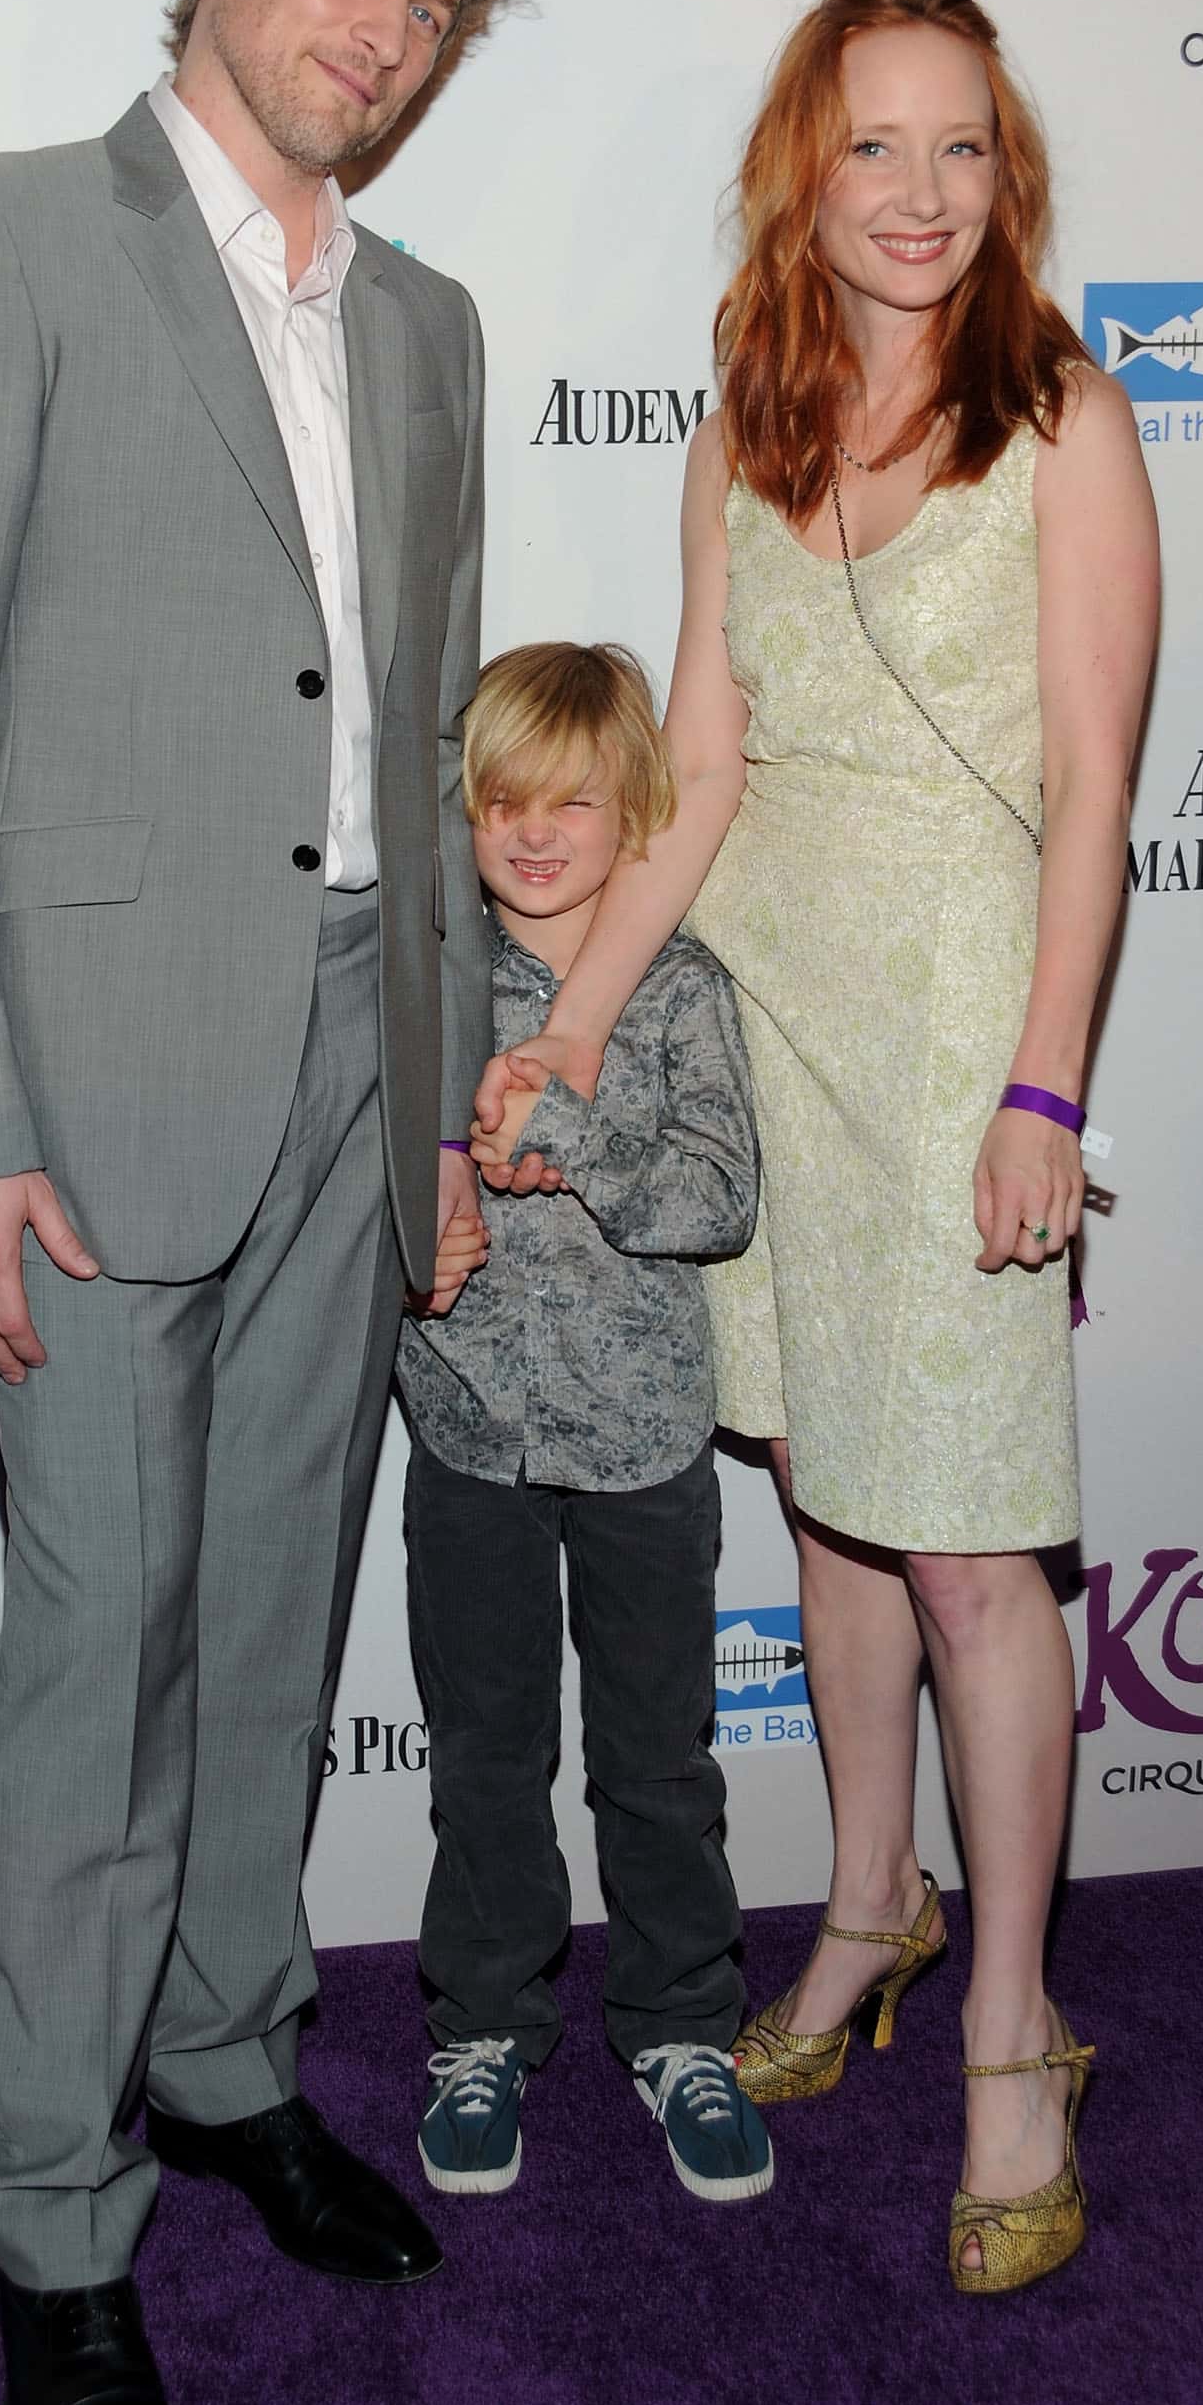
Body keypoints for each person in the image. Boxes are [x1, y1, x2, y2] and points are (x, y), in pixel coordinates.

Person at [0, 0, 529, 2405]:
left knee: (269, 1622)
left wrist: (453, 1105)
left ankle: (233, 2069)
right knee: (96, 1667)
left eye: (437, 6)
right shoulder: (2, 233)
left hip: (364, 1050)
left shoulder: (436, 323)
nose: (388, 32)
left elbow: (437, 744)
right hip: (88, 1079)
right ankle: (53, 2219)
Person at [472, 0, 1159, 2296]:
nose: (922, 192)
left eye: (963, 146)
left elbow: (1090, 792)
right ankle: (869, 1904)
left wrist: (1047, 1082)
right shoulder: (743, 420)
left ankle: (1009, 2027)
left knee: (972, 1548)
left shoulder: (1060, 410)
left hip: (967, 1025)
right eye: (878, 143)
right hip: (777, 1016)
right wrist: (567, 1026)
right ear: (805, 161)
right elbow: (709, 773)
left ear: (1008, 169)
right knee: (837, 1503)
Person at [398, 643, 771, 2206]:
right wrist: (417, 1237)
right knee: (485, 1759)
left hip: (643, 1452)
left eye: (572, 802)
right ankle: (482, 2027)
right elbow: (363, 1187)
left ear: (638, 815)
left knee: (657, 1761)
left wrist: (572, 1149)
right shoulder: (419, 983)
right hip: (470, 1442)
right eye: (502, 802)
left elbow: (722, 1192)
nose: (534, 832)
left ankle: (683, 2025)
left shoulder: (678, 987)